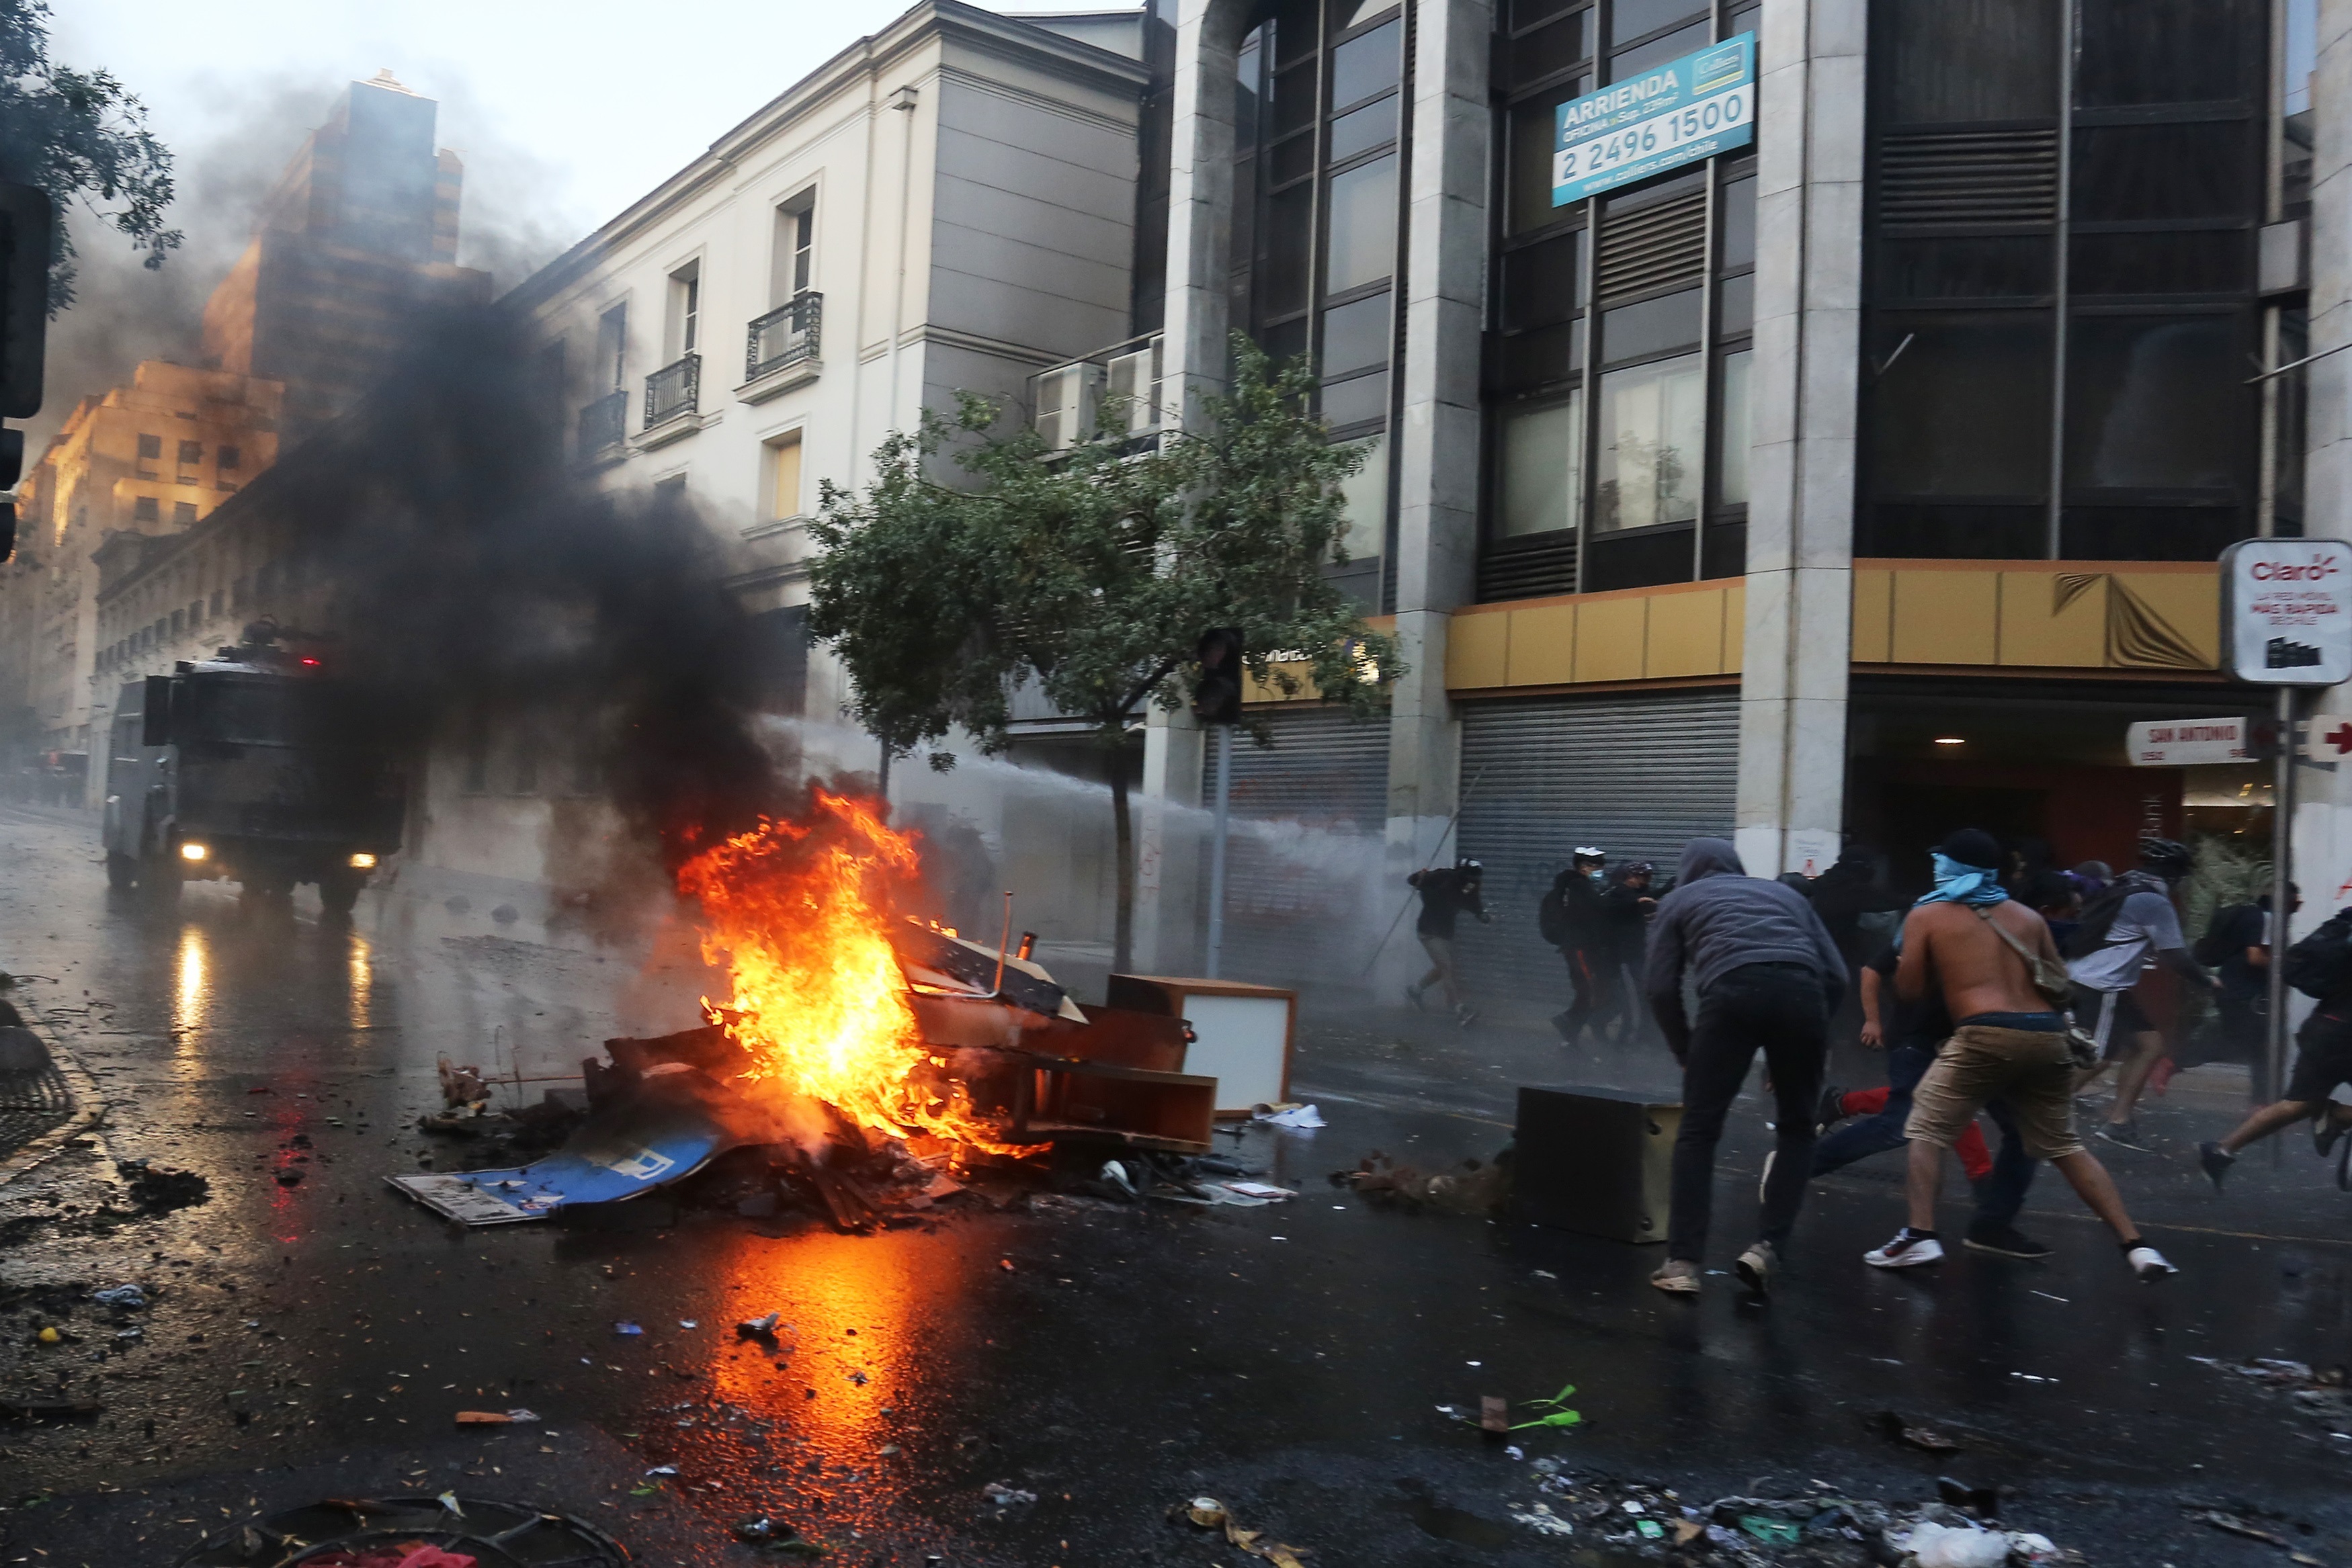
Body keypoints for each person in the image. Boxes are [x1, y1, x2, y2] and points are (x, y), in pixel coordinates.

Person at [1865, 829, 2177, 1280]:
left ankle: (1918, 1236)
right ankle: (2138, 1247)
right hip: (2045, 1037)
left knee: (1926, 1129)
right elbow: (2058, 981)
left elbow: (1910, 990)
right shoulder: (2026, 918)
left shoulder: (1928, 915)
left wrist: (1942, 969)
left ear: (1951, 869)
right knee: (2064, 1145)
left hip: (1984, 1034)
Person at [1642, 838, 1847, 1299]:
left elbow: (1658, 986)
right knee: (1796, 1128)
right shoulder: (1786, 895)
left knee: (1699, 1129)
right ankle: (1768, 1247)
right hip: (1803, 995)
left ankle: (1682, 1263)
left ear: (1689, 869)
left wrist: (1684, 1048)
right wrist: (1806, 1037)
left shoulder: (1678, 898)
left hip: (1731, 993)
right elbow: (1837, 976)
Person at [1810, 939, 2046, 1258]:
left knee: (1928, 1110)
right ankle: (1803, 1163)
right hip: (1923, 1039)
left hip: (1957, 1039)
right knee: (1909, 1119)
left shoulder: (1991, 927)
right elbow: (1874, 972)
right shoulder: (1926, 921)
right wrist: (1873, 1020)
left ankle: (1971, 1214)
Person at [2064, 838, 2219, 1149]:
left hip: (2097, 982)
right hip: (2100, 984)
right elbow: (2175, 956)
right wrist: (2208, 982)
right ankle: (2041, 1109)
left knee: (2150, 1044)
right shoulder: (2154, 901)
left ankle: (2118, 1121)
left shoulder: (2125, 884)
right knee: (2096, 1058)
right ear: (2174, 873)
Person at [2199, 901, 2352, 1187]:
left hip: (2325, 1028)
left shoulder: (2343, 933)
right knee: (2302, 1105)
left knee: (2296, 1105)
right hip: (2343, 1037)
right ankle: (2334, 1116)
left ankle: (2221, 1150)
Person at [1406, 857, 1492, 1026]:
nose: (1473, 882)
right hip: (1429, 931)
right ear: (1461, 874)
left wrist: (1482, 915)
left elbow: (1475, 904)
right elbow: (1412, 880)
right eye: (1470, 878)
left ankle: (1416, 990)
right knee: (1447, 968)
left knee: (1442, 969)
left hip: (1446, 932)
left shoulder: (1471, 887)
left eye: (1476, 879)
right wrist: (1419, 877)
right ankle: (1460, 1011)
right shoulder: (1442, 877)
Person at [1541, 848, 1612, 1043]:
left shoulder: (1573, 886)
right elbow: (1597, 910)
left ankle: (1570, 1028)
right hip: (1579, 947)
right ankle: (1568, 1024)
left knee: (1592, 990)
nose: (1600, 870)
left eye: (1601, 866)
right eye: (1596, 867)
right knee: (1590, 990)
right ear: (1584, 868)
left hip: (1582, 946)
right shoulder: (1578, 887)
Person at [1599, 860, 1659, 1041]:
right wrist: (1637, 903)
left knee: (1642, 997)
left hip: (1635, 954)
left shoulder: (1632, 895)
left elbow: (1636, 916)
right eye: (1643, 878)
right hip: (1624, 958)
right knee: (1633, 1001)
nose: (1646, 882)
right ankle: (1624, 1037)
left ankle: (1640, 1035)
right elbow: (1615, 908)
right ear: (1631, 877)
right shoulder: (1618, 895)